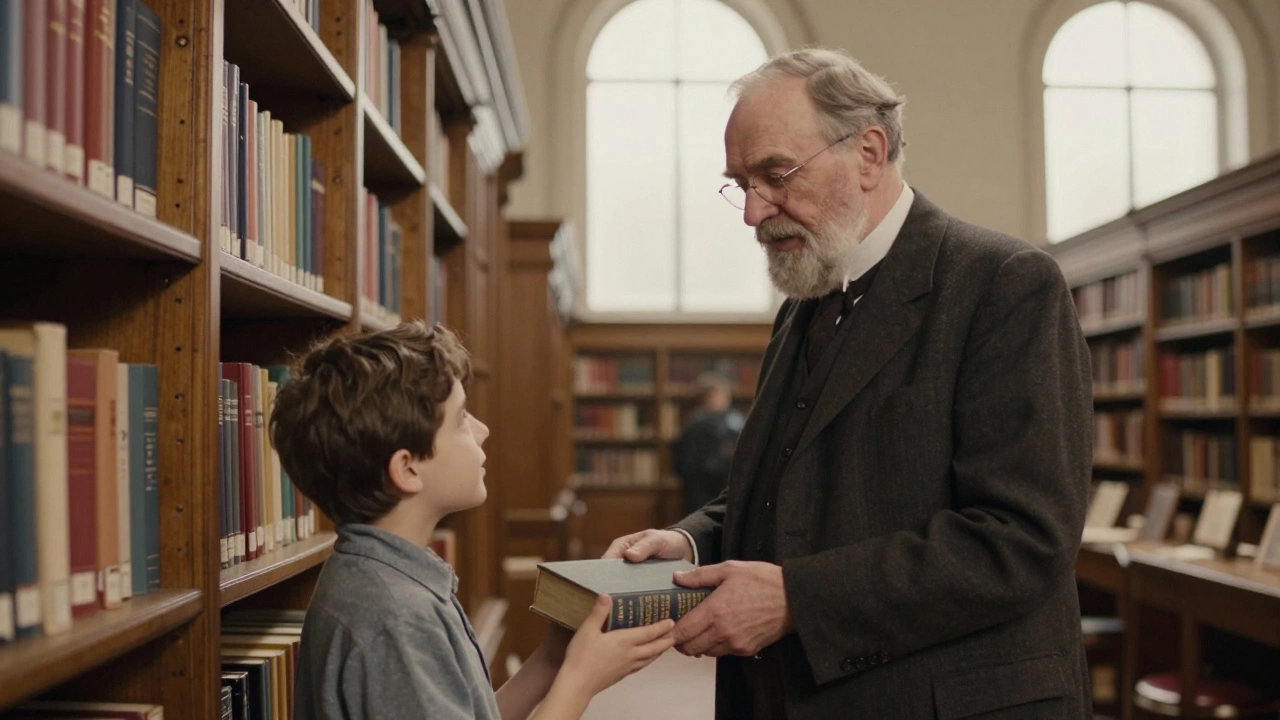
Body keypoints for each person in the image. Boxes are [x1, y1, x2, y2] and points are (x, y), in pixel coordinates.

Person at [605, 47, 1093, 719]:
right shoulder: (804, 304)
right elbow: (788, 489)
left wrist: (796, 599)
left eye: (775, 175)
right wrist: (691, 542)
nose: (753, 212)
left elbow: (1022, 538)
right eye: (740, 183)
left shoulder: (1003, 283)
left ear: (867, 154)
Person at [272, 321, 676, 720]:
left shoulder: (388, 577)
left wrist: (553, 658)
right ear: (408, 468)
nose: (482, 430)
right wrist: (581, 678)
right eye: (462, 418)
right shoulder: (397, 619)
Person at [673, 372, 746, 516]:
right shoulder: (696, 425)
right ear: (709, 396)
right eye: (723, 395)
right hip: (704, 493)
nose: (727, 400)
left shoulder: (733, 420)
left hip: (727, 490)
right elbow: (687, 464)